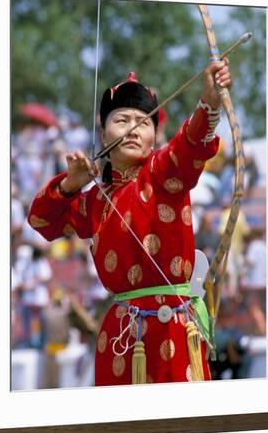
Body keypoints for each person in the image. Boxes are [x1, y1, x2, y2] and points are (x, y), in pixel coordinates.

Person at [28, 59, 232, 386]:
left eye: (144, 122)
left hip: (172, 329)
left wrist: (209, 101)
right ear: (102, 132)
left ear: (154, 135)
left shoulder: (165, 173)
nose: (134, 128)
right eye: (122, 120)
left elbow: (190, 144)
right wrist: (69, 184)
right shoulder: (93, 199)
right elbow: (41, 221)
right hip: (120, 336)